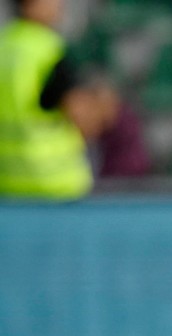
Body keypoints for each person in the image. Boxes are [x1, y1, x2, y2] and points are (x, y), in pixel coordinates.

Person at [0, 0, 118, 199]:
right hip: (53, 185)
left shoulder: (4, 45)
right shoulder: (49, 50)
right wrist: (102, 110)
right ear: (31, 4)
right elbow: (81, 117)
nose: (59, 4)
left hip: (6, 187)